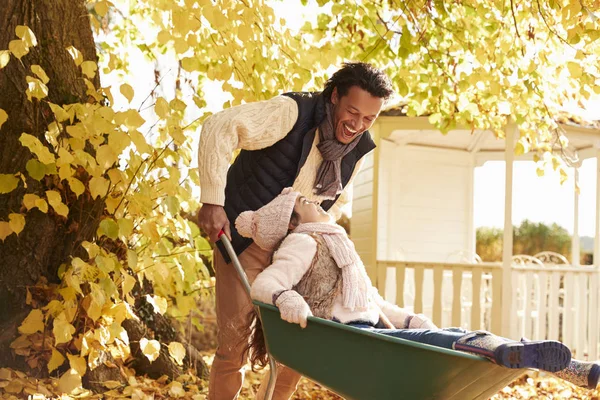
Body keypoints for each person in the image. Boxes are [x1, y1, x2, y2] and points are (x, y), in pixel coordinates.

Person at [238, 188, 600, 390]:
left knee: (448, 335)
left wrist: (407, 318)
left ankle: (559, 365)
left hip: (371, 334)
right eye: (306, 203)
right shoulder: (302, 243)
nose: (315, 202)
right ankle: (516, 353)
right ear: (295, 221)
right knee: (442, 344)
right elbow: (265, 283)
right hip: (351, 343)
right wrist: (286, 297)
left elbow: (372, 302)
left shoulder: (338, 246)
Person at [197, 62, 394, 399]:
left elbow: (335, 202)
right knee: (235, 347)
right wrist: (213, 201)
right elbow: (219, 127)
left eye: (368, 119)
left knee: (299, 351)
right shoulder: (292, 113)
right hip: (247, 240)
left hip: (297, 250)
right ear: (334, 97)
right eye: (352, 112)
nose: (357, 125)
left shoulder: (356, 153)